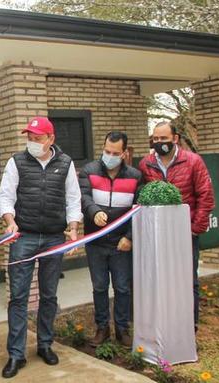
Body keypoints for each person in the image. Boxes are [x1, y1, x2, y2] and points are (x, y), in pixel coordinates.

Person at [0, 116, 82, 378]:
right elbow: (5, 196)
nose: (32, 143)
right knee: (19, 298)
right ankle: (16, 354)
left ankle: (45, 344)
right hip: (23, 237)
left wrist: (74, 229)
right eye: (29, 138)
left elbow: (73, 199)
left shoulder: (65, 163)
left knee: (49, 295)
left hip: (54, 237)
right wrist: (10, 222)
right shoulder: (17, 161)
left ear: (51, 139)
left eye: (37, 138)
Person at [138, 121, 214, 330]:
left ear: (175, 139)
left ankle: (189, 326)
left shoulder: (193, 161)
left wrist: (194, 229)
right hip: (158, 235)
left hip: (185, 234)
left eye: (164, 138)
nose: (159, 142)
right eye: (156, 139)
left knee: (188, 280)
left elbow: (206, 196)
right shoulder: (146, 164)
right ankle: (165, 323)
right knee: (161, 279)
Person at [78, 131, 142, 348]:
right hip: (95, 242)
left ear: (124, 153)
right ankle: (102, 328)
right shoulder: (89, 171)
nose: (110, 156)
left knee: (123, 287)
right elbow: (83, 197)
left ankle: (122, 329)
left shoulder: (135, 176)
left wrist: (130, 237)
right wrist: (94, 211)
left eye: (115, 153)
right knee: (99, 287)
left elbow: (140, 210)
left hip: (121, 244)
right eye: (106, 151)